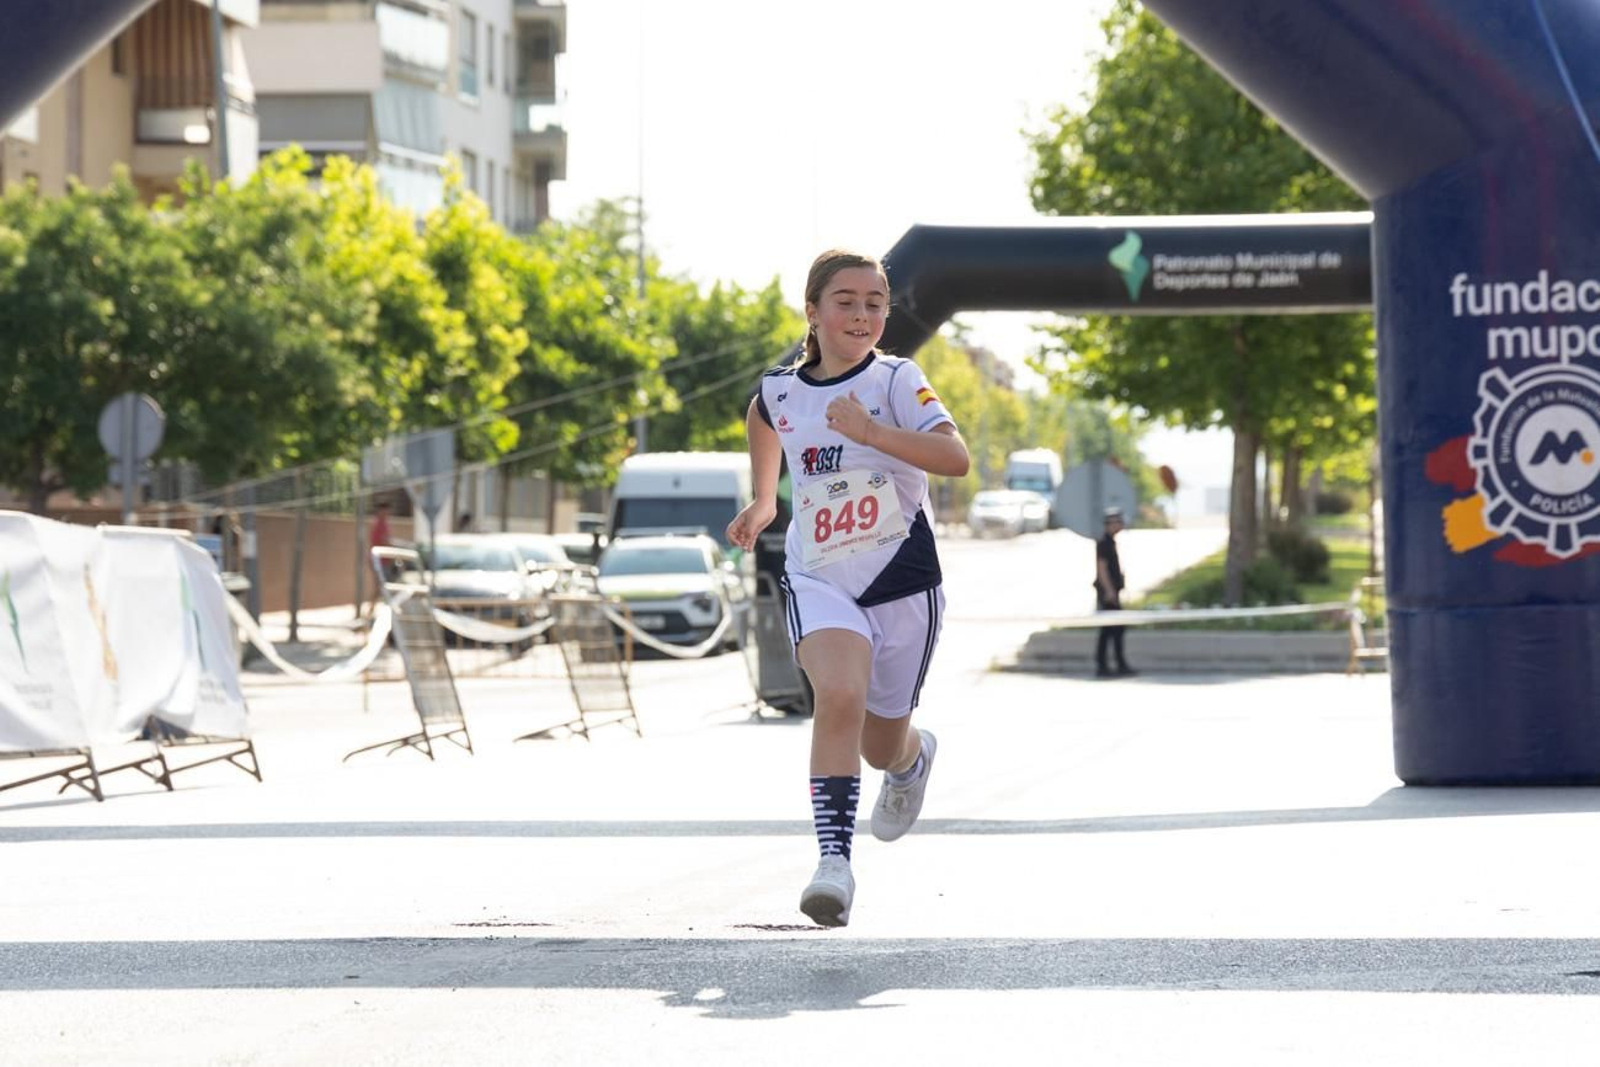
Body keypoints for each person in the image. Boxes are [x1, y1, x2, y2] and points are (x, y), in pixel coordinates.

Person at [726, 249, 970, 928]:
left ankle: (913, 756)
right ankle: (833, 860)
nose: (862, 314)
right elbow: (763, 415)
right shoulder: (781, 390)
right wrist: (766, 499)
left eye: (875, 302)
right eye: (846, 300)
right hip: (820, 575)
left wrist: (872, 434)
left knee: (878, 743)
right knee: (837, 695)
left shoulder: (897, 379)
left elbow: (955, 458)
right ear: (813, 310)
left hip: (902, 584)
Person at [1094, 506, 1136, 678]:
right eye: (1117, 522)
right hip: (1108, 594)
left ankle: (1114, 663)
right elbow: (1101, 568)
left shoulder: (1110, 541)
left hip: (1113, 592)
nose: (1120, 525)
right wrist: (1110, 590)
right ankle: (1107, 664)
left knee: (1114, 629)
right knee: (1111, 630)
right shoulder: (1103, 542)